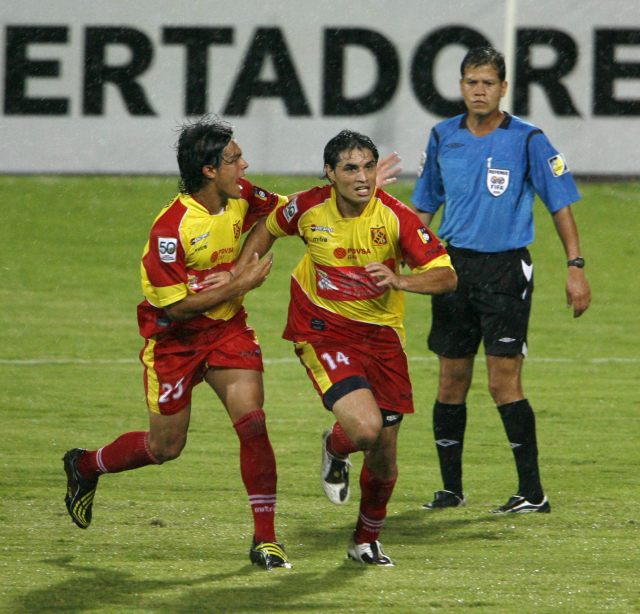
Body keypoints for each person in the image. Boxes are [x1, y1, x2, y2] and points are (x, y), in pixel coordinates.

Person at [62, 117, 294, 570]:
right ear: (209, 170)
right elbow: (177, 309)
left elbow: (285, 211)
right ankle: (86, 465)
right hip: (175, 341)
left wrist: (353, 192)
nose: (244, 165)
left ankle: (265, 538)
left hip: (227, 331)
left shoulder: (242, 195)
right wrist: (239, 281)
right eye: (233, 160)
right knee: (165, 447)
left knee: (253, 425)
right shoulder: (170, 230)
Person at [238, 129, 457, 565]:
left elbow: (446, 275)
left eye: (369, 167)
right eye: (351, 168)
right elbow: (268, 225)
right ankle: (342, 444)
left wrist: (401, 280)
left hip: (383, 339)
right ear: (330, 173)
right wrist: (242, 273)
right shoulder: (308, 207)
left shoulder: (395, 217)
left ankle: (363, 540)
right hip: (322, 330)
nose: (362, 177)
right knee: (366, 430)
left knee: (385, 458)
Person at [411, 46, 591, 514]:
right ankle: (451, 491)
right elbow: (424, 207)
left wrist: (576, 267)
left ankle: (533, 493)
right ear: (461, 85)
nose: (479, 90)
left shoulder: (528, 139)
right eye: (471, 82)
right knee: (450, 379)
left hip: (505, 270)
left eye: (488, 82)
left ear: (504, 88)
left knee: (501, 382)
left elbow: (559, 205)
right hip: (452, 270)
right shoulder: (443, 136)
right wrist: (404, 258)